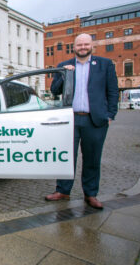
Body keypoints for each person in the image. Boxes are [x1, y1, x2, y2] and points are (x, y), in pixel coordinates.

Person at [45, 33, 119, 209]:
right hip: (70, 120)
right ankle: (63, 190)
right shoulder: (64, 66)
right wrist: (64, 75)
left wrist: (110, 115)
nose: (83, 47)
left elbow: (113, 92)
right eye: (80, 45)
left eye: (86, 44)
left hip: (95, 121)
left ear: (92, 46)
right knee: (66, 157)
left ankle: (91, 194)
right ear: (74, 46)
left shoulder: (105, 64)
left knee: (92, 159)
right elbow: (54, 90)